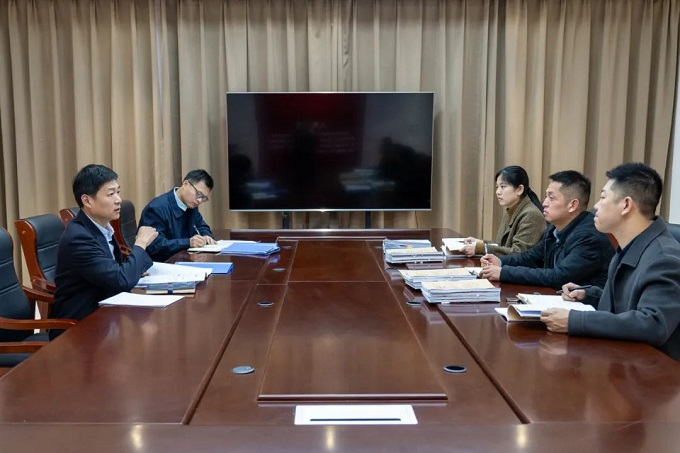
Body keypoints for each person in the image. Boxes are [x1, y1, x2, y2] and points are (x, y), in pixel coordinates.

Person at [541, 163, 680, 360]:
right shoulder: (628, 246)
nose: (596, 206)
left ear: (626, 205)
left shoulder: (664, 258)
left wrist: (575, 321)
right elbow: (626, 305)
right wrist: (589, 295)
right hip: (623, 359)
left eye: (603, 197)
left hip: (654, 371)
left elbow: (652, 324)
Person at [51, 164, 158, 339]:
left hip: (106, 316)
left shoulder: (101, 228)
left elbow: (116, 274)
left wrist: (133, 269)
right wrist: (140, 243)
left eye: (118, 192)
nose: (118, 200)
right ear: (87, 201)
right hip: (79, 329)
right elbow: (121, 281)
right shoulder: (79, 238)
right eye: (111, 194)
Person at [478, 170, 614, 291]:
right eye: (546, 196)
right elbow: (531, 258)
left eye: (551, 198)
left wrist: (504, 272)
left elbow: (558, 277)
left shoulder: (588, 237)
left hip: (583, 307)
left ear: (572, 205)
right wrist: (501, 261)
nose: (544, 203)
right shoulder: (553, 229)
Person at [462, 165, 546, 257]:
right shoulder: (512, 209)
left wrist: (481, 248)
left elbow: (518, 254)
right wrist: (481, 243)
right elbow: (503, 246)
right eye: (497, 187)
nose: (498, 192)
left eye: (503, 186)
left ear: (519, 189)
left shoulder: (531, 215)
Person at [139, 169, 217, 262]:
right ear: (185, 184)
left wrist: (206, 236)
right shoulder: (156, 208)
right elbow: (155, 246)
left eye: (203, 198)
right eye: (199, 194)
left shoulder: (191, 205)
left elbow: (201, 225)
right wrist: (188, 242)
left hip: (182, 261)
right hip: (160, 264)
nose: (199, 200)